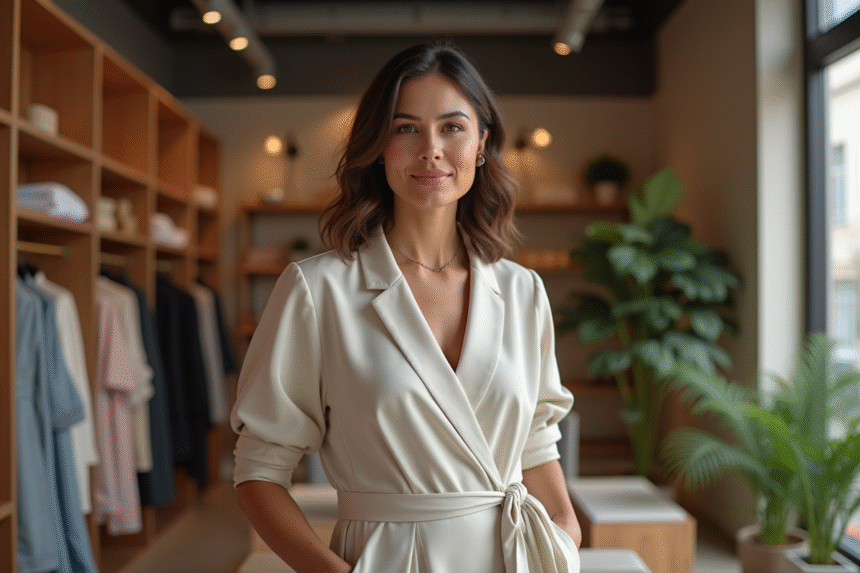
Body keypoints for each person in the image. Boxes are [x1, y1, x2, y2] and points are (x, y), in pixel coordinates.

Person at [232, 42, 582, 573]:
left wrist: (564, 531)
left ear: (482, 143)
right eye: (405, 128)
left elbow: (535, 439)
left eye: (452, 127)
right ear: (378, 146)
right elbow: (259, 471)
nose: (430, 150)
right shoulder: (317, 290)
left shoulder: (522, 291)